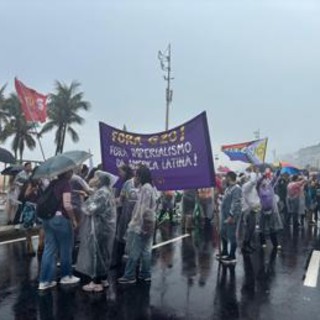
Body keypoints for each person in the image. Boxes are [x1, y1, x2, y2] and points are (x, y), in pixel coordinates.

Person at [38, 170, 80, 291]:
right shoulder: (66, 184)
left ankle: (45, 281)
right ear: (67, 173)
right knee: (65, 248)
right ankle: (66, 276)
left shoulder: (52, 183)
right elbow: (67, 205)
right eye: (71, 171)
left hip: (47, 219)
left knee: (49, 249)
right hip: (61, 219)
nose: (72, 173)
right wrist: (73, 219)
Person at [76, 171, 117, 292]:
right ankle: (103, 279)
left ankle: (96, 282)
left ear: (100, 180)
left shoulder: (102, 193)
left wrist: (84, 199)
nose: (93, 179)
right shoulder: (106, 191)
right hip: (105, 228)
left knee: (97, 254)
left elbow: (89, 209)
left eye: (96, 177)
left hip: (100, 228)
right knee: (104, 254)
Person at [118, 166, 157, 284]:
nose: (135, 177)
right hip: (149, 223)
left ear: (141, 176)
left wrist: (140, 224)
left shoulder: (146, 188)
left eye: (137, 175)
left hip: (141, 224)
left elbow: (143, 208)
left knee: (134, 250)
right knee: (146, 250)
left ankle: (129, 275)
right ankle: (145, 274)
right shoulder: (151, 187)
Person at [114, 164, 138, 266]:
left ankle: (132, 262)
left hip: (135, 216)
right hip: (125, 214)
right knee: (121, 237)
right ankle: (119, 260)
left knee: (132, 238)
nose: (119, 174)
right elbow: (121, 199)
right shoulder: (126, 183)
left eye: (121, 171)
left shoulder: (141, 185)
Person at [217, 171, 242, 265]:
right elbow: (226, 199)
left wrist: (231, 216)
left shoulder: (237, 188)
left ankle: (232, 256)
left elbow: (236, 203)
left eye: (226, 177)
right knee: (223, 232)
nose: (224, 179)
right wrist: (219, 198)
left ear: (229, 178)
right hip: (224, 215)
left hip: (231, 216)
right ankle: (225, 251)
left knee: (231, 235)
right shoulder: (228, 188)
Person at [257, 172, 283, 249]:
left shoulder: (270, 187)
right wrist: (263, 176)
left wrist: (278, 172)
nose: (266, 181)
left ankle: (275, 244)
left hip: (271, 210)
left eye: (266, 180)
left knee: (272, 227)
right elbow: (257, 183)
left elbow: (274, 179)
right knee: (262, 227)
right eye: (264, 180)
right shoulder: (259, 189)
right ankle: (262, 242)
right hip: (262, 210)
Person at [240, 169, 261, 254]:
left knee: (251, 229)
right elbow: (253, 182)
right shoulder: (246, 186)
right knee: (249, 229)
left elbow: (256, 181)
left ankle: (248, 244)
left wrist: (258, 173)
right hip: (248, 210)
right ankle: (245, 245)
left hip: (254, 209)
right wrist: (254, 173)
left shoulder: (252, 187)